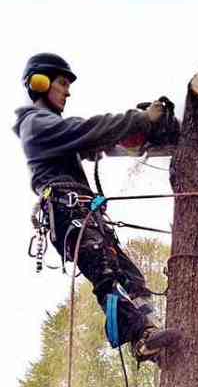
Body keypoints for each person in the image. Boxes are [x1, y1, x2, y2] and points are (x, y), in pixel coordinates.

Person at [13, 52, 180, 364]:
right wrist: (139, 119)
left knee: (132, 277)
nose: (68, 91)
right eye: (62, 83)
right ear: (39, 82)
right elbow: (89, 129)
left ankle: (149, 336)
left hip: (85, 214)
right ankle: (140, 336)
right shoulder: (36, 123)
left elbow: (97, 141)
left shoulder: (55, 131)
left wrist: (142, 133)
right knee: (107, 275)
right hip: (68, 212)